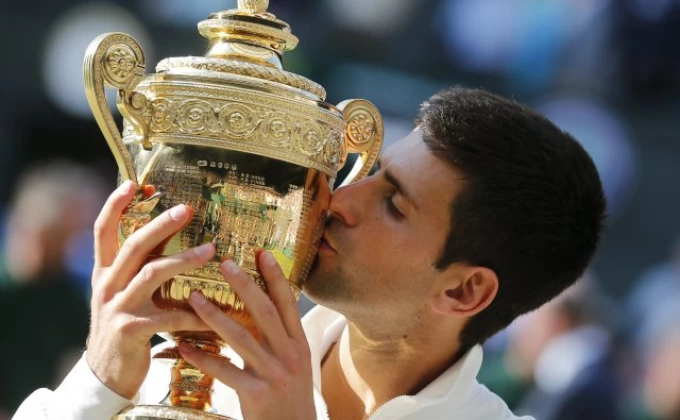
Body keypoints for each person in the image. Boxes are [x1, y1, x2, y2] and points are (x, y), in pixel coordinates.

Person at [13, 87, 606, 420]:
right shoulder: (192, 355)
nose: (341, 200)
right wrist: (99, 379)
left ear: (463, 290)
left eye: (394, 205)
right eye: (373, 174)